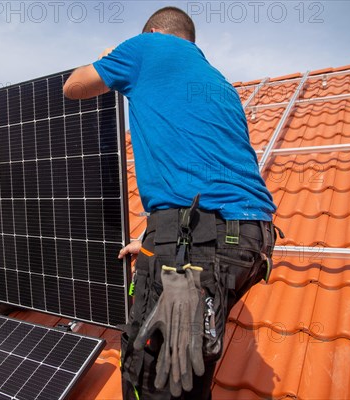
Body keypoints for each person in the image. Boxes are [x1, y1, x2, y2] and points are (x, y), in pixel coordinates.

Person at [62, 6, 278, 400]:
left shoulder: (145, 47)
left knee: (152, 373)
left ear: (155, 32)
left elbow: (74, 86)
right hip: (251, 239)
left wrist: (109, 56)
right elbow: (198, 176)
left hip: (199, 242)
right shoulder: (218, 83)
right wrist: (153, 238)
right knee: (188, 366)